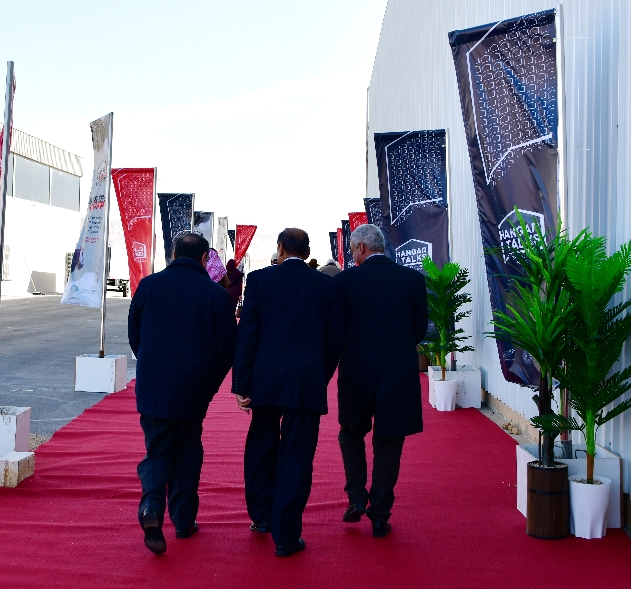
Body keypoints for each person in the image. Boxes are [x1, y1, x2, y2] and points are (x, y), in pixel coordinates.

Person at [233, 228, 343, 557]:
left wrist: (242, 383)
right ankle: (286, 535)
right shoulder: (326, 285)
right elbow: (334, 340)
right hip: (306, 381)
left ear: (280, 248)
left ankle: (261, 517)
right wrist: (319, 377)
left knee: (261, 448)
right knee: (297, 457)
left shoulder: (260, 281)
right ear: (307, 250)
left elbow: (247, 334)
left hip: (265, 381)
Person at [128, 232, 238, 555]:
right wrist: (208, 385)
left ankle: (151, 507)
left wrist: (151, 365)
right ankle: (183, 520)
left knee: (157, 450)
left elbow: (135, 335)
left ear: (174, 254)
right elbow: (227, 350)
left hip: (153, 388)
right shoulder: (217, 297)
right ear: (205, 259)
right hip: (193, 391)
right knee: (188, 450)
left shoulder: (148, 286)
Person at [334, 224, 427, 538]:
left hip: (356, 373)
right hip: (398, 374)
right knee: (389, 444)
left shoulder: (345, 281)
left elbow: (337, 330)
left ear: (360, 248)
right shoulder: (412, 280)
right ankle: (380, 513)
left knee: (350, 434)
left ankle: (356, 497)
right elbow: (419, 328)